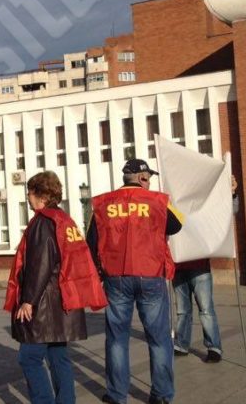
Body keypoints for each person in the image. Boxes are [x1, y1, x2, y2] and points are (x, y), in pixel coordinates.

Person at [4, 171, 106, 404]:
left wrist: (28, 300)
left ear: (40, 194)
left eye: (29, 192)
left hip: (43, 305)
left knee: (29, 358)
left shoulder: (42, 222)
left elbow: (41, 264)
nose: (27, 197)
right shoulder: (64, 220)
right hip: (63, 301)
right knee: (58, 356)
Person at [87, 158, 183, 404]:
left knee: (117, 338)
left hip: (116, 277)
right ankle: (161, 395)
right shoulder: (158, 201)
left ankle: (117, 395)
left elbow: (91, 241)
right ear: (141, 177)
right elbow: (177, 224)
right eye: (148, 177)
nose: (150, 181)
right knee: (159, 338)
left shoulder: (101, 203)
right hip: (151, 274)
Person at [172, 175, 237, 363]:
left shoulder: (202, 207)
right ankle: (181, 344)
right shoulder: (173, 203)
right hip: (178, 266)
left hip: (199, 267)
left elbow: (227, 213)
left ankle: (214, 347)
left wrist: (232, 194)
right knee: (183, 310)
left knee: (206, 309)